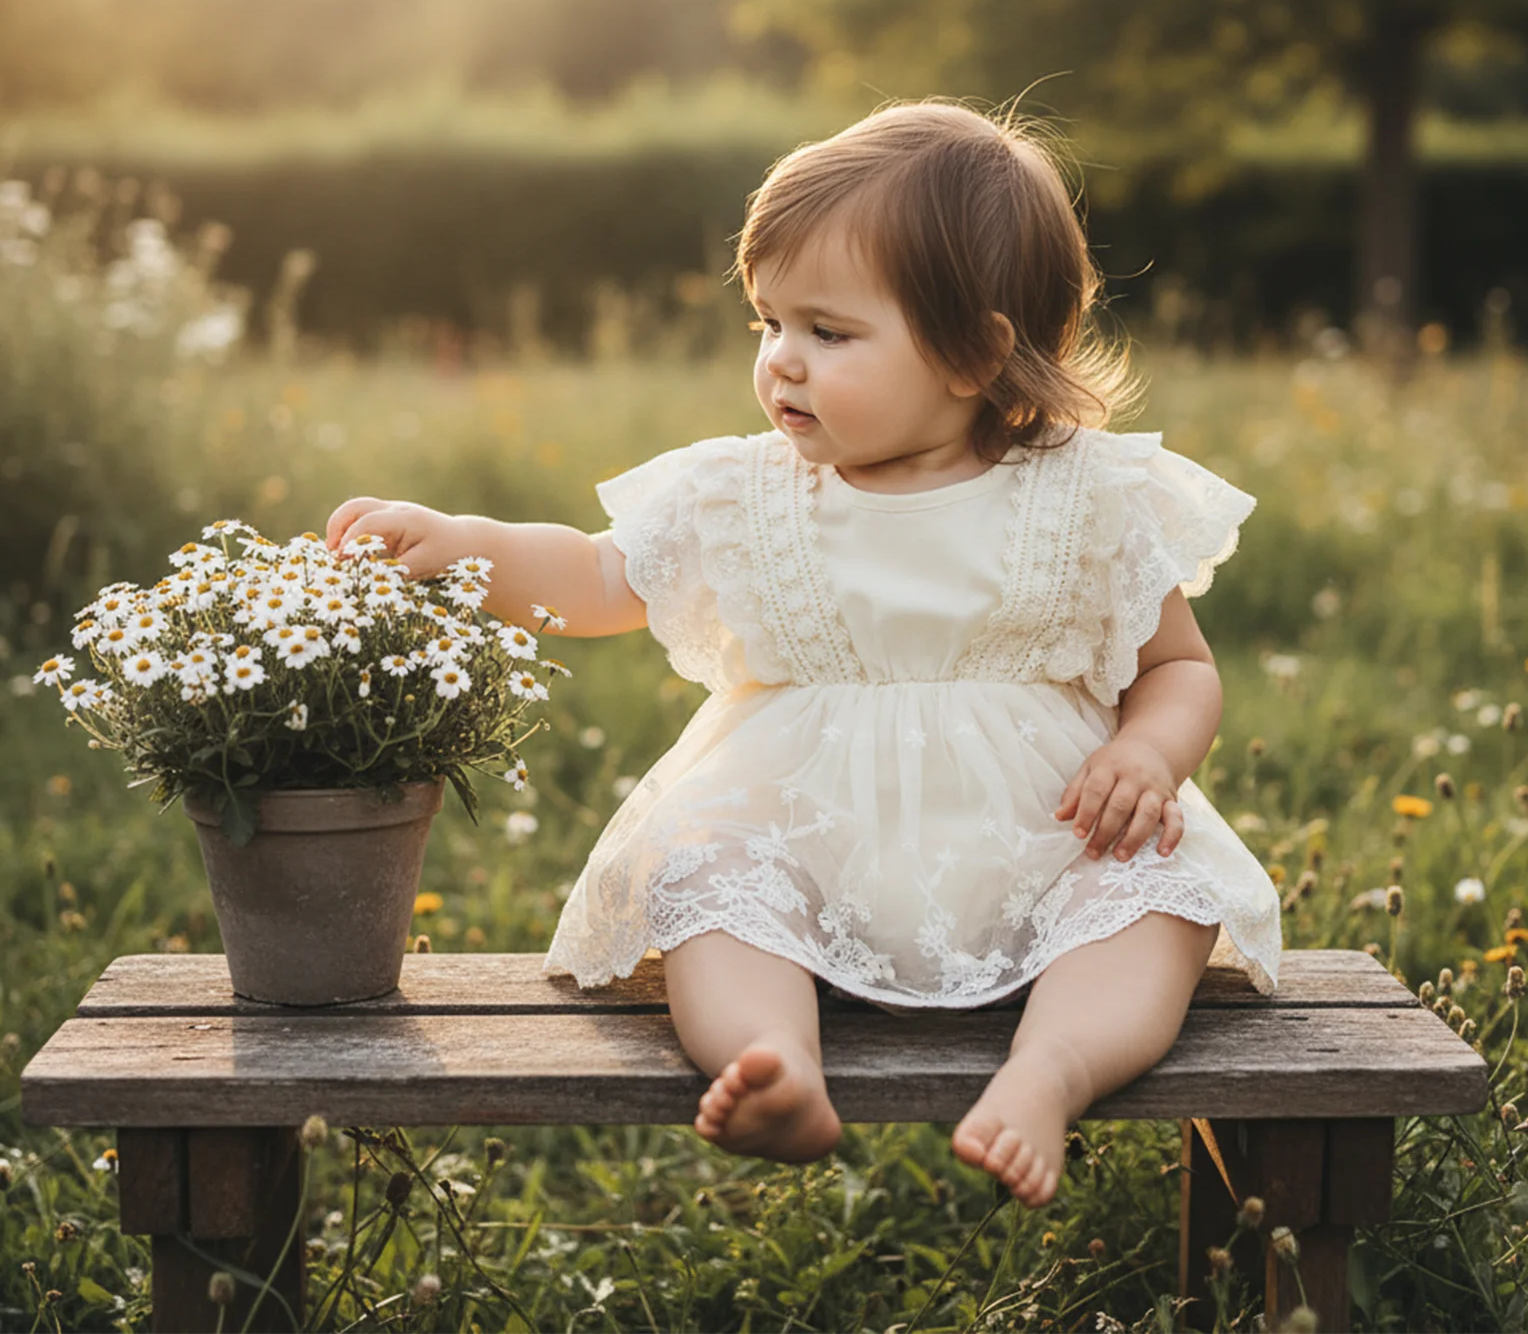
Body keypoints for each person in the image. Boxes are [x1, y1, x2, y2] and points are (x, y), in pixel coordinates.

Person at [325, 98, 1282, 1210]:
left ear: (975, 352)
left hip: (1045, 832)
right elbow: (597, 575)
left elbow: (1179, 665)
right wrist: (468, 547)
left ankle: (1049, 1070)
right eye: (766, 324)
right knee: (711, 885)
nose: (781, 362)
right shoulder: (743, 492)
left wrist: (1152, 757)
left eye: (827, 333)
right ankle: (770, 1061)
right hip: (802, 829)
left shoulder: (1085, 494)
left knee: (1153, 898)